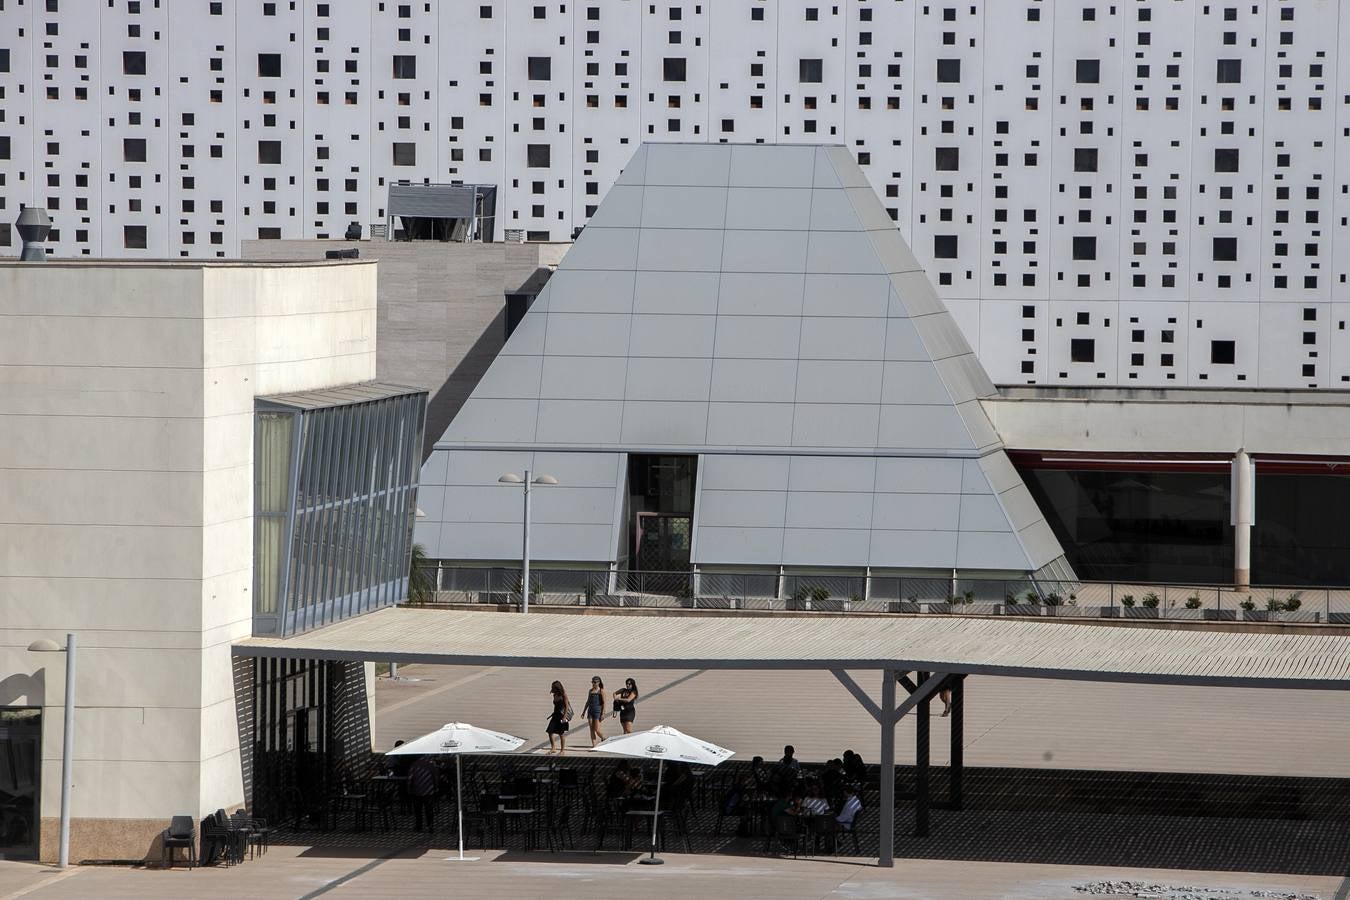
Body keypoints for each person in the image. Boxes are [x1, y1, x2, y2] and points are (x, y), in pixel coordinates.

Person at [408, 755, 439, 832]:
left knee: (418, 810)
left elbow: (410, 778)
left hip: (416, 790)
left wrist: (409, 788)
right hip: (429, 790)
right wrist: (436, 788)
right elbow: (435, 777)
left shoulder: (414, 764)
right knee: (429, 809)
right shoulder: (431, 765)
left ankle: (419, 826)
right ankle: (430, 826)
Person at [546, 680, 573, 751]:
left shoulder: (563, 695)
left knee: (561, 733)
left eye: (553, 687)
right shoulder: (554, 695)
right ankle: (553, 747)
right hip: (555, 715)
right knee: (550, 731)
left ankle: (562, 750)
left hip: (562, 716)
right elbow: (556, 706)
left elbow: (567, 706)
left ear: (557, 687)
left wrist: (564, 717)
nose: (552, 688)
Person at [585, 675, 608, 746]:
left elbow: (604, 702)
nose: (593, 683)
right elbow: (588, 701)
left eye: (595, 682)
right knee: (591, 729)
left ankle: (604, 738)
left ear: (598, 683)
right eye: (592, 682)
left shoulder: (601, 691)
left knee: (597, 729)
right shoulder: (590, 691)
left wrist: (603, 713)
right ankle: (594, 745)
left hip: (597, 711)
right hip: (590, 711)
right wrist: (584, 711)